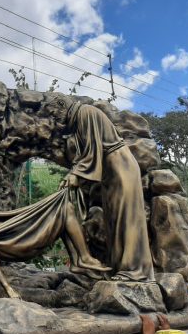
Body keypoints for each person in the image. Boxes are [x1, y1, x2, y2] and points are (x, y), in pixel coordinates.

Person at [53, 96, 154, 282]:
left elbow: (93, 148)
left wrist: (76, 174)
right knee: (113, 220)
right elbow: (85, 154)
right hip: (112, 170)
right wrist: (73, 174)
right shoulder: (78, 120)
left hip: (121, 166)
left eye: (55, 112)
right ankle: (120, 267)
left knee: (126, 218)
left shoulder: (85, 112)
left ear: (62, 106)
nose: (55, 117)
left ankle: (133, 270)